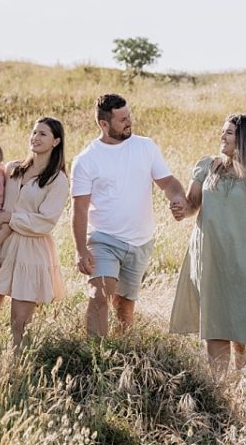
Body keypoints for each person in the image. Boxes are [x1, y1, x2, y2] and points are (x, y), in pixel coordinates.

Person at [169, 113, 246, 374]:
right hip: (210, 254)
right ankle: (220, 387)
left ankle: (242, 366)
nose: (222, 136)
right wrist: (181, 209)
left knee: (243, 318)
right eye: (222, 131)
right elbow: (192, 204)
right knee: (215, 320)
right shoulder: (208, 166)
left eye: (229, 133)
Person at [71, 93, 186, 337]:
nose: (128, 122)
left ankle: (122, 355)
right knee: (99, 295)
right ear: (104, 124)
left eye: (129, 116)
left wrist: (178, 198)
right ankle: (96, 358)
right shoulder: (86, 160)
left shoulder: (145, 146)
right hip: (104, 240)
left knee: (124, 306)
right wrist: (81, 250)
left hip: (140, 242)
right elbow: (79, 209)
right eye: (122, 119)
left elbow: (168, 182)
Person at [0, 117, 70, 350]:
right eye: (34, 132)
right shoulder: (12, 168)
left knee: (20, 325)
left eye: (43, 134)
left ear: (56, 141)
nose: (35, 137)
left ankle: (17, 372)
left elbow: (46, 221)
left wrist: (9, 218)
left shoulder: (58, 179)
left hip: (29, 249)